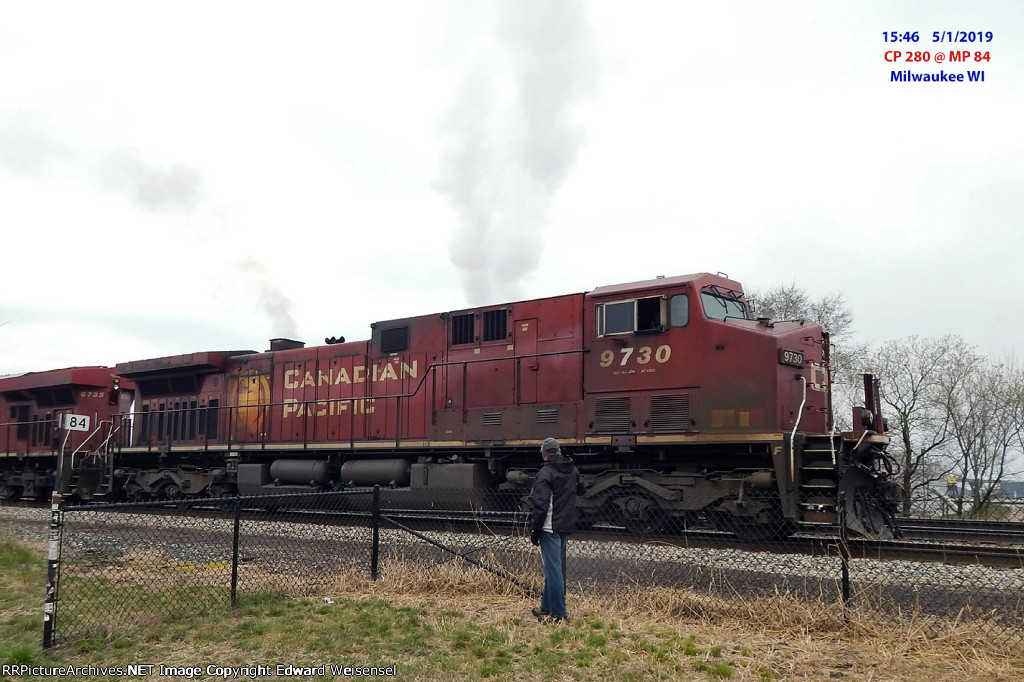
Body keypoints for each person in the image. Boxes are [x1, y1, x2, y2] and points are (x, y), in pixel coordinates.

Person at [529, 437, 585, 623]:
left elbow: (540, 504)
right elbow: (581, 490)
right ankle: (546, 607)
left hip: (549, 527)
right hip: (565, 526)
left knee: (553, 571)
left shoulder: (545, 473)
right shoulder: (573, 470)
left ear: (544, 455)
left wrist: (535, 530)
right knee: (553, 568)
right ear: (559, 450)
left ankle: (559, 614)